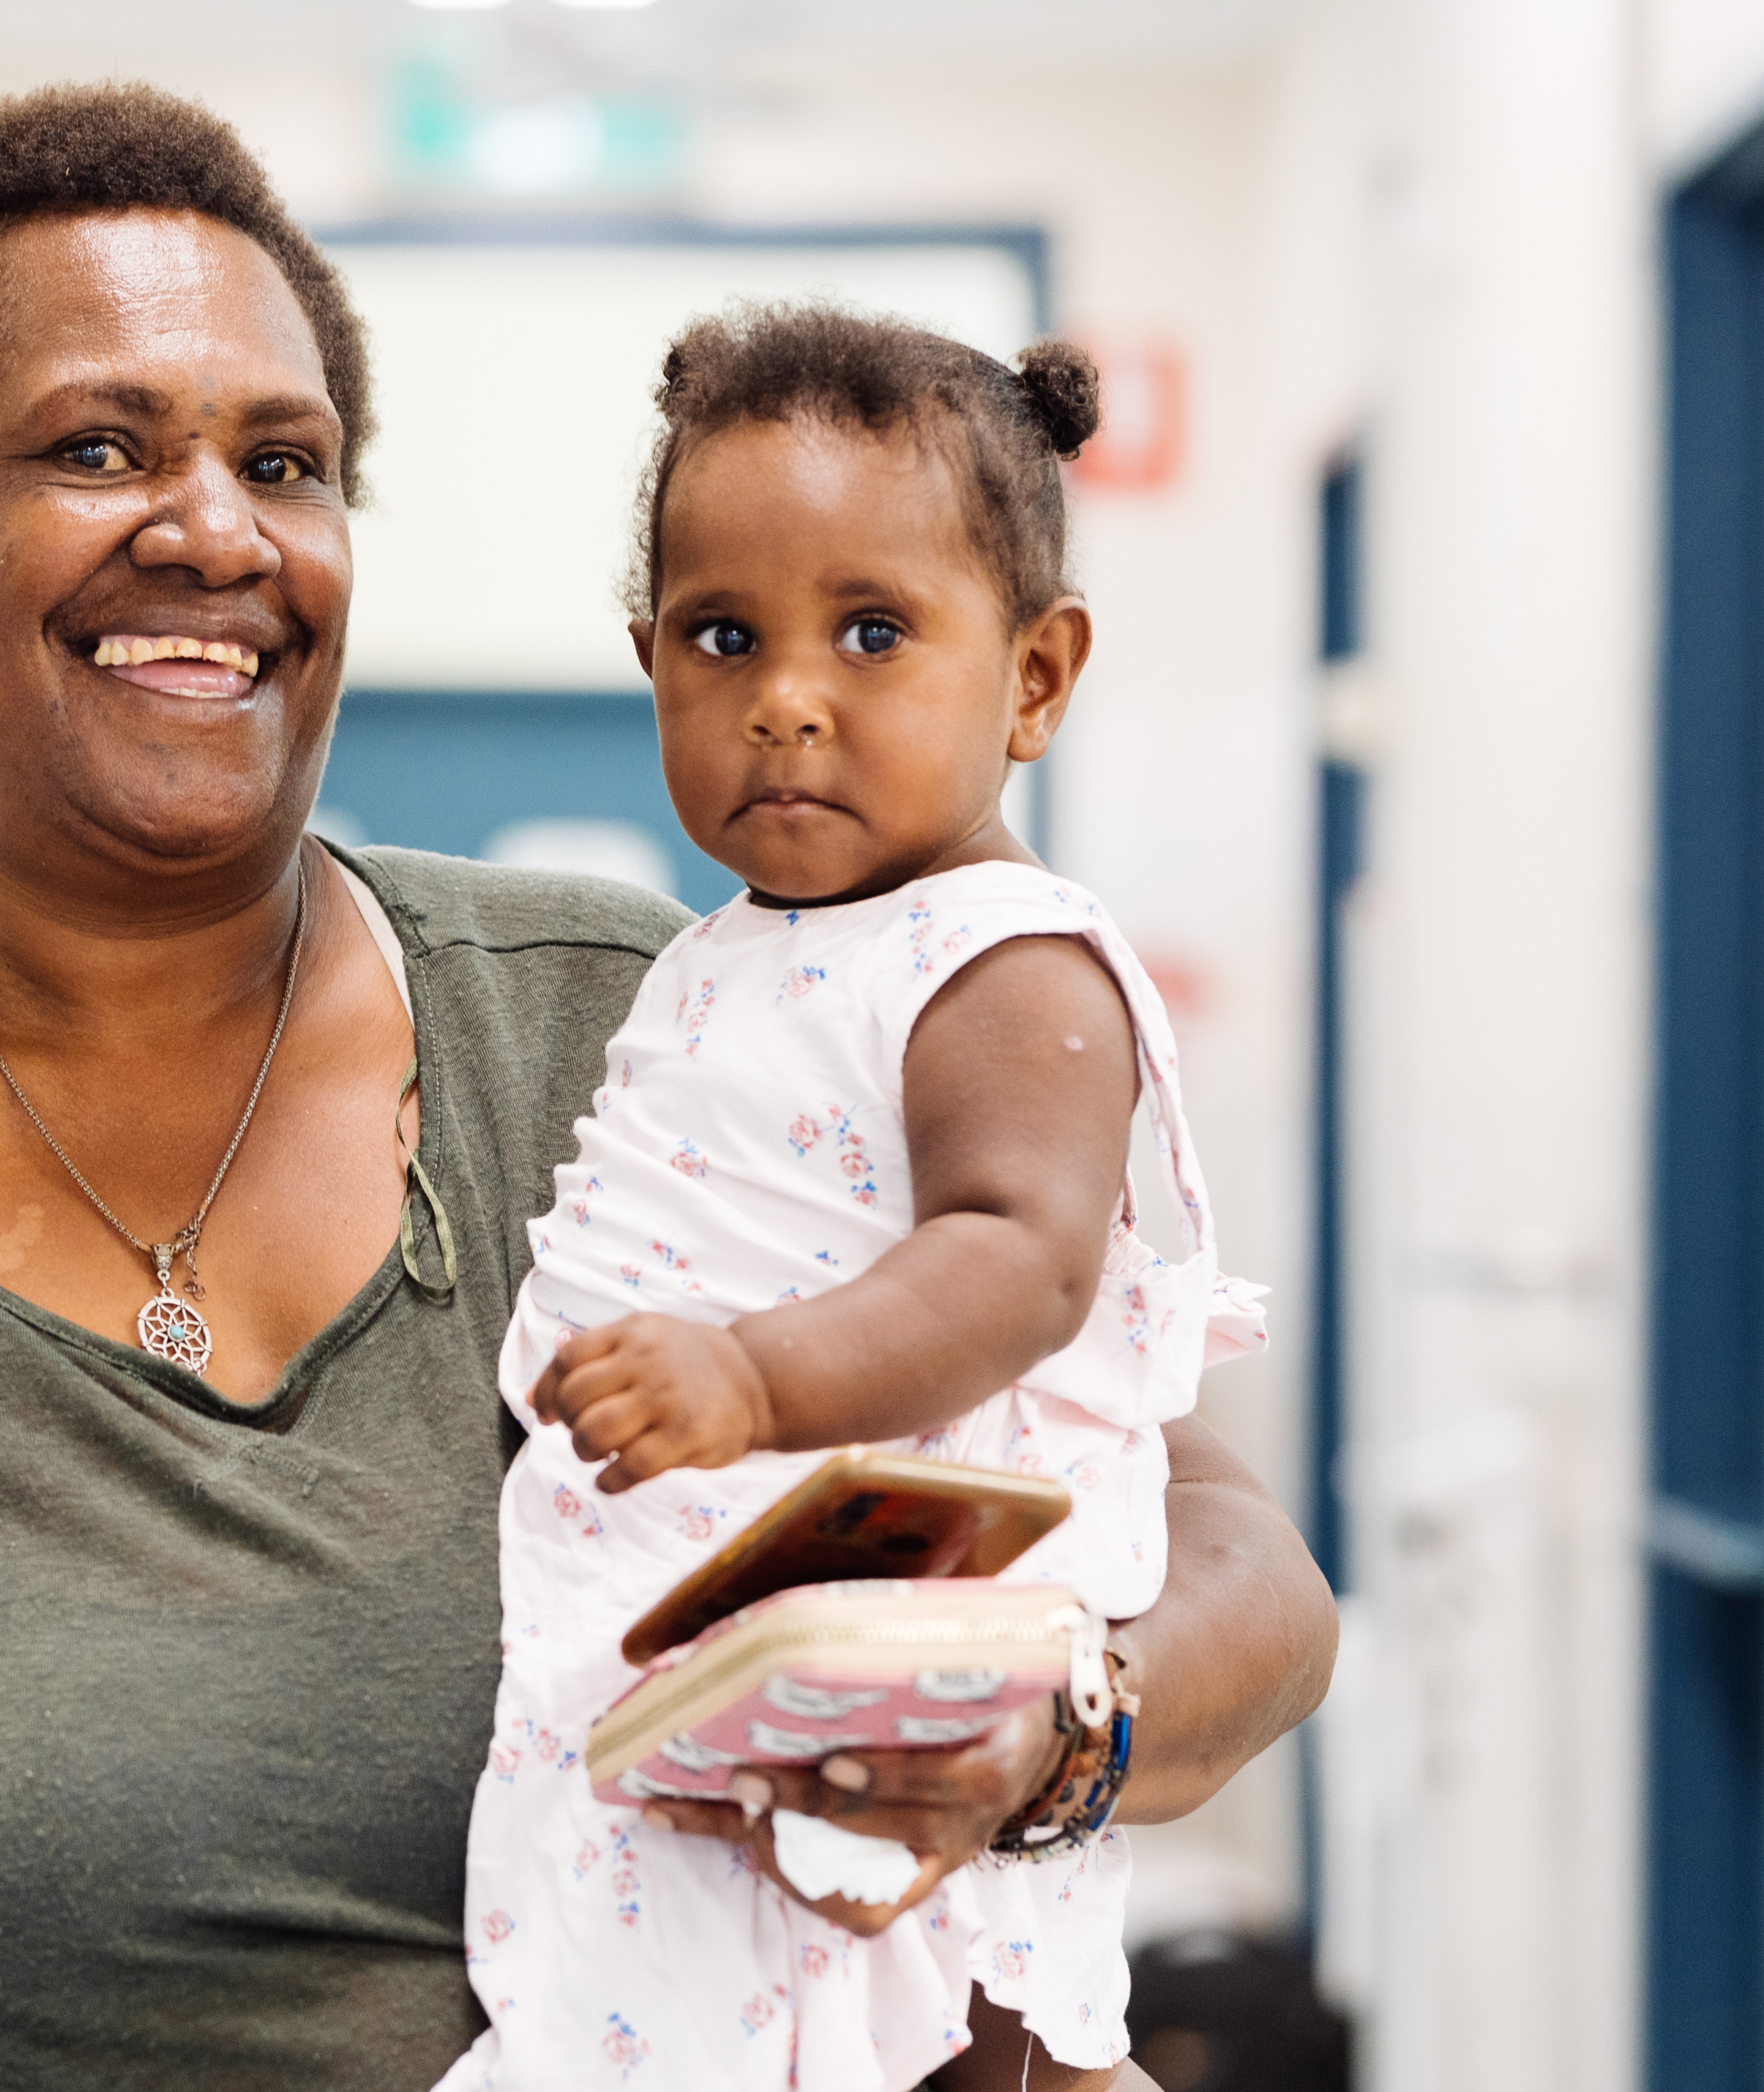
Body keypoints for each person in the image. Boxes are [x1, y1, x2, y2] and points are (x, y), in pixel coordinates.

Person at [0, 82, 1335, 2092]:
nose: (217, 529)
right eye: (97, 447)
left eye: (284, 463)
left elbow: (1239, 1573)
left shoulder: (653, 1046)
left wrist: (1051, 1724)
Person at [446, 310, 1263, 2092]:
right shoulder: (734, 951)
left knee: (940, 2021)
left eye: (871, 632)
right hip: (715, 1654)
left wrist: (751, 1376)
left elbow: (1017, 1259)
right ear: (646, 662)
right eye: (719, 636)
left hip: (898, 1646)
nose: (784, 696)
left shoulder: (1006, 961)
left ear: (1033, 677)